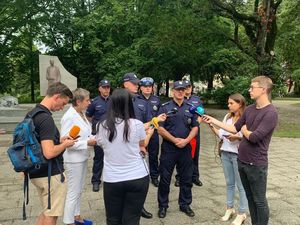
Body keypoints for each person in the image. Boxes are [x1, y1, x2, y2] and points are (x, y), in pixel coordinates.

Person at [202, 76, 278, 225]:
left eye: (252, 87)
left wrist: (245, 130)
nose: (249, 90)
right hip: (241, 160)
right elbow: (233, 128)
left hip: (256, 164)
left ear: (263, 90)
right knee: (250, 198)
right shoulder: (249, 109)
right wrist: (213, 120)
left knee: (259, 201)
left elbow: (255, 137)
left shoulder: (271, 113)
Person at [95, 88, 149, 225]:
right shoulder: (137, 125)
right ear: (129, 104)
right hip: (137, 177)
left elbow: (102, 144)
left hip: (113, 179)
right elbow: (142, 145)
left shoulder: (102, 126)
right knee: (132, 219)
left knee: (113, 220)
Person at [29, 82, 76, 225]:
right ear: (56, 96)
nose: (62, 108)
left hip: (36, 171)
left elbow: (39, 141)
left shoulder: (33, 113)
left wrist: (59, 140)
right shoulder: (46, 119)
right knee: (52, 215)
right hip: (50, 174)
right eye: (63, 103)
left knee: (46, 210)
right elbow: (49, 153)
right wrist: (65, 144)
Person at [157, 81, 199, 218]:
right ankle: (163, 206)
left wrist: (186, 141)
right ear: (173, 91)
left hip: (185, 148)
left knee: (186, 178)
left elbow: (195, 127)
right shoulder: (165, 107)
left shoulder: (191, 108)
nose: (181, 92)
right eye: (178, 90)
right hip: (169, 148)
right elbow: (160, 128)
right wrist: (175, 140)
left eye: (183, 89)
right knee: (165, 178)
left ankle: (185, 204)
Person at [209, 93, 248, 225]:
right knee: (229, 183)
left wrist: (237, 137)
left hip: (238, 155)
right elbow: (221, 134)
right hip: (225, 152)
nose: (228, 105)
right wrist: (211, 125)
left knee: (241, 185)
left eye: (231, 103)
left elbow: (249, 137)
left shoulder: (246, 118)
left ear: (240, 104)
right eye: (228, 103)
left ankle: (242, 213)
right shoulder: (227, 117)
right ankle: (229, 208)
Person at [61, 88, 97, 225]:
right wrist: (88, 142)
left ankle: (77, 217)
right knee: (73, 191)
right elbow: (66, 142)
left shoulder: (81, 114)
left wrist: (94, 138)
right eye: (87, 100)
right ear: (78, 101)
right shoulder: (69, 116)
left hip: (82, 157)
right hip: (73, 160)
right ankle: (69, 221)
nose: (90, 103)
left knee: (79, 189)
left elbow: (84, 134)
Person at [122, 72, 153, 219]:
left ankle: (139, 207)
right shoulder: (119, 100)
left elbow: (147, 124)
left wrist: (144, 140)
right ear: (125, 84)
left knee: (139, 180)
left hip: (139, 142)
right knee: (124, 179)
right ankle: (123, 207)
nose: (137, 86)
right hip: (123, 145)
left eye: (137, 83)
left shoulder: (140, 101)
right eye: (134, 83)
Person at [174, 80, 203, 187]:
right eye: (185, 87)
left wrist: (195, 126)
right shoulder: (179, 100)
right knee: (180, 156)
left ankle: (195, 177)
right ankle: (179, 177)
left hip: (194, 132)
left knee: (195, 155)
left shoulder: (196, 100)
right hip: (183, 131)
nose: (187, 89)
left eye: (189, 86)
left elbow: (200, 115)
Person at [86, 80, 111, 192]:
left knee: (111, 158)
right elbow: (88, 117)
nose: (106, 89)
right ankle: (96, 181)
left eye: (108, 87)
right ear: (99, 88)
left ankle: (110, 180)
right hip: (99, 135)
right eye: (104, 87)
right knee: (98, 158)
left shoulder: (114, 101)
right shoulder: (94, 102)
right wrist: (95, 127)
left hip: (112, 134)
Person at [138, 77, 161, 187]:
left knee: (154, 155)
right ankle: (142, 176)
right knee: (140, 154)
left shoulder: (156, 100)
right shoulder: (136, 99)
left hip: (153, 132)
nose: (147, 88)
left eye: (149, 86)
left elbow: (160, 116)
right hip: (140, 132)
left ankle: (154, 177)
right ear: (141, 87)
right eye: (145, 86)